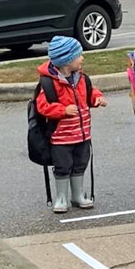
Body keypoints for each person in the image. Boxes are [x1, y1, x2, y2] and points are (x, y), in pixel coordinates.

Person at [36, 36, 107, 213]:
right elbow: (42, 107)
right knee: (62, 166)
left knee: (80, 163)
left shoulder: (82, 78)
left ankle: (78, 195)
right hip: (61, 137)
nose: (82, 58)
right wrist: (62, 110)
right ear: (67, 61)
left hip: (82, 134)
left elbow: (88, 94)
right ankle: (61, 197)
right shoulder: (49, 83)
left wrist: (96, 98)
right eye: (78, 56)